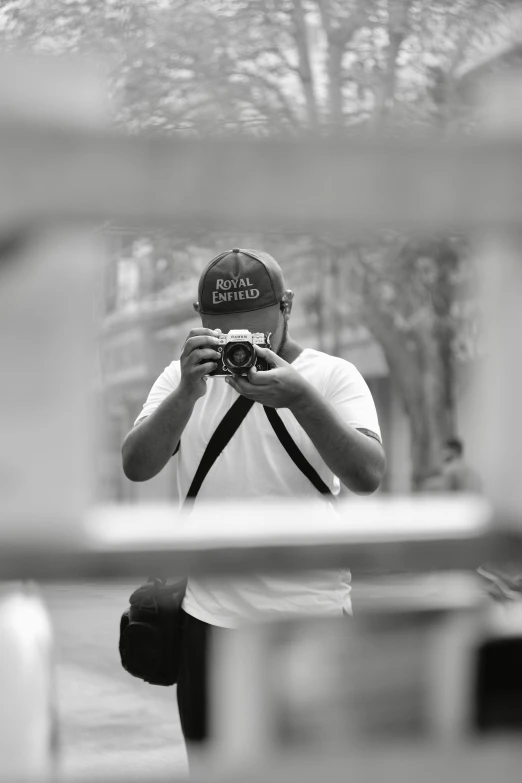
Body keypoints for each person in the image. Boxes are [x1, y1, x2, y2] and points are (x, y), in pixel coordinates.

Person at [121, 248, 385, 753]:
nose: (240, 345)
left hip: (312, 619)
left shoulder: (332, 377)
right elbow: (137, 465)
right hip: (209, 623)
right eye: (225, 332)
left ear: (286, 307)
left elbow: (367, 474)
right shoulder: (181, 380)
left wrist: (301, 398)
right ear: (202, 322)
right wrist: (186, 394)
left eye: (255, 332)